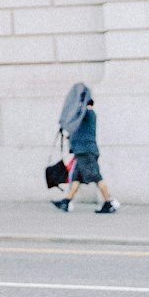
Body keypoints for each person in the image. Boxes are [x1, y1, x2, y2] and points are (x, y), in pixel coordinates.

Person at [53, 84, 118, 214]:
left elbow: (77, 117)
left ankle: (108, 202)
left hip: (86, 152)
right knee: (76, 178)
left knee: (96, 177)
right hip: (83, 151)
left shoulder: (88, 114)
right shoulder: (86, 115)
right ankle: (66, 201)